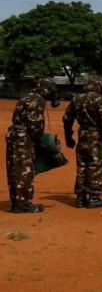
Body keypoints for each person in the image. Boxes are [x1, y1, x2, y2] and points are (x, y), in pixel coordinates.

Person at [63, 75, 102, 208]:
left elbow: (67, 118)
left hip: (82, 134)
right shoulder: (100, 99)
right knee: (96, 165)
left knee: (82, 165)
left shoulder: (76, 99)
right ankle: (94, 197)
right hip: (97, 136)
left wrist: (68, 136)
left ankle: (80, 197)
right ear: (98, 85)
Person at [6, 78, 61, 213]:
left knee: (14, 169)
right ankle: (23, 205)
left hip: (14, 136)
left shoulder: (26, 97)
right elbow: (35, 125)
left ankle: (16, 203)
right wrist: (39, 141)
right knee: (25, 170)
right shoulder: (38, 100)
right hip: (24, 139)